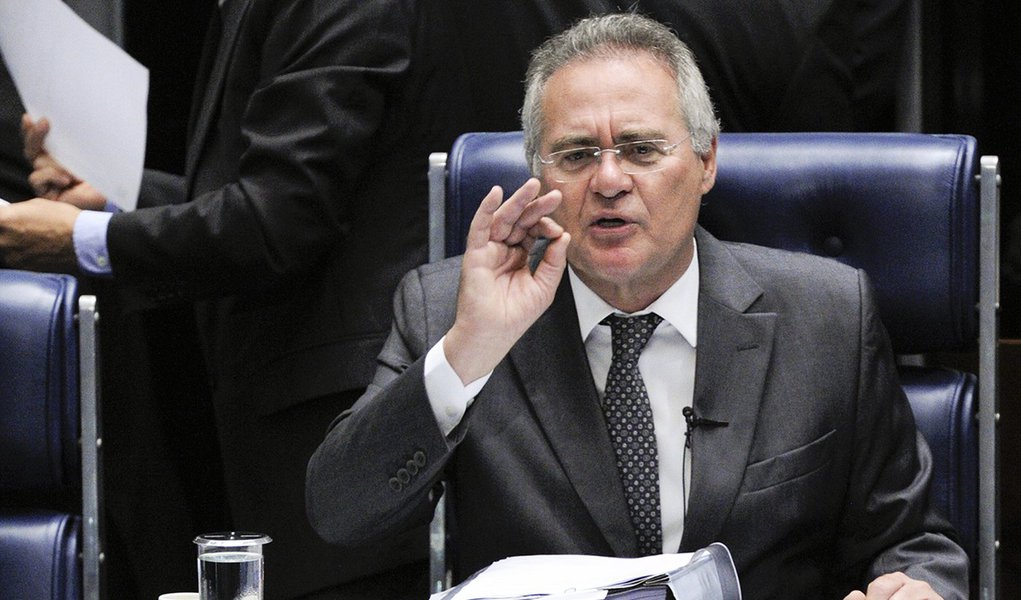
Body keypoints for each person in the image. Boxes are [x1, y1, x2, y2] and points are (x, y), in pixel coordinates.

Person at [306, 13, 969, 600]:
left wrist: (916, 589)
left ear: (706, 160)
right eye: (574, 154)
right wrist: (470, 349)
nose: (609, 180)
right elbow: (341, 514)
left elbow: (911, 541)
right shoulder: (450, 310)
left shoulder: (826, 315)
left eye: (641, 149)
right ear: (537, 172)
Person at [0, 0, 469, 597]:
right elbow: (250, 192)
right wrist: (111, 204)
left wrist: (83, 240)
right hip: (285, 421)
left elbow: (278, 221)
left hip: (347, 426)